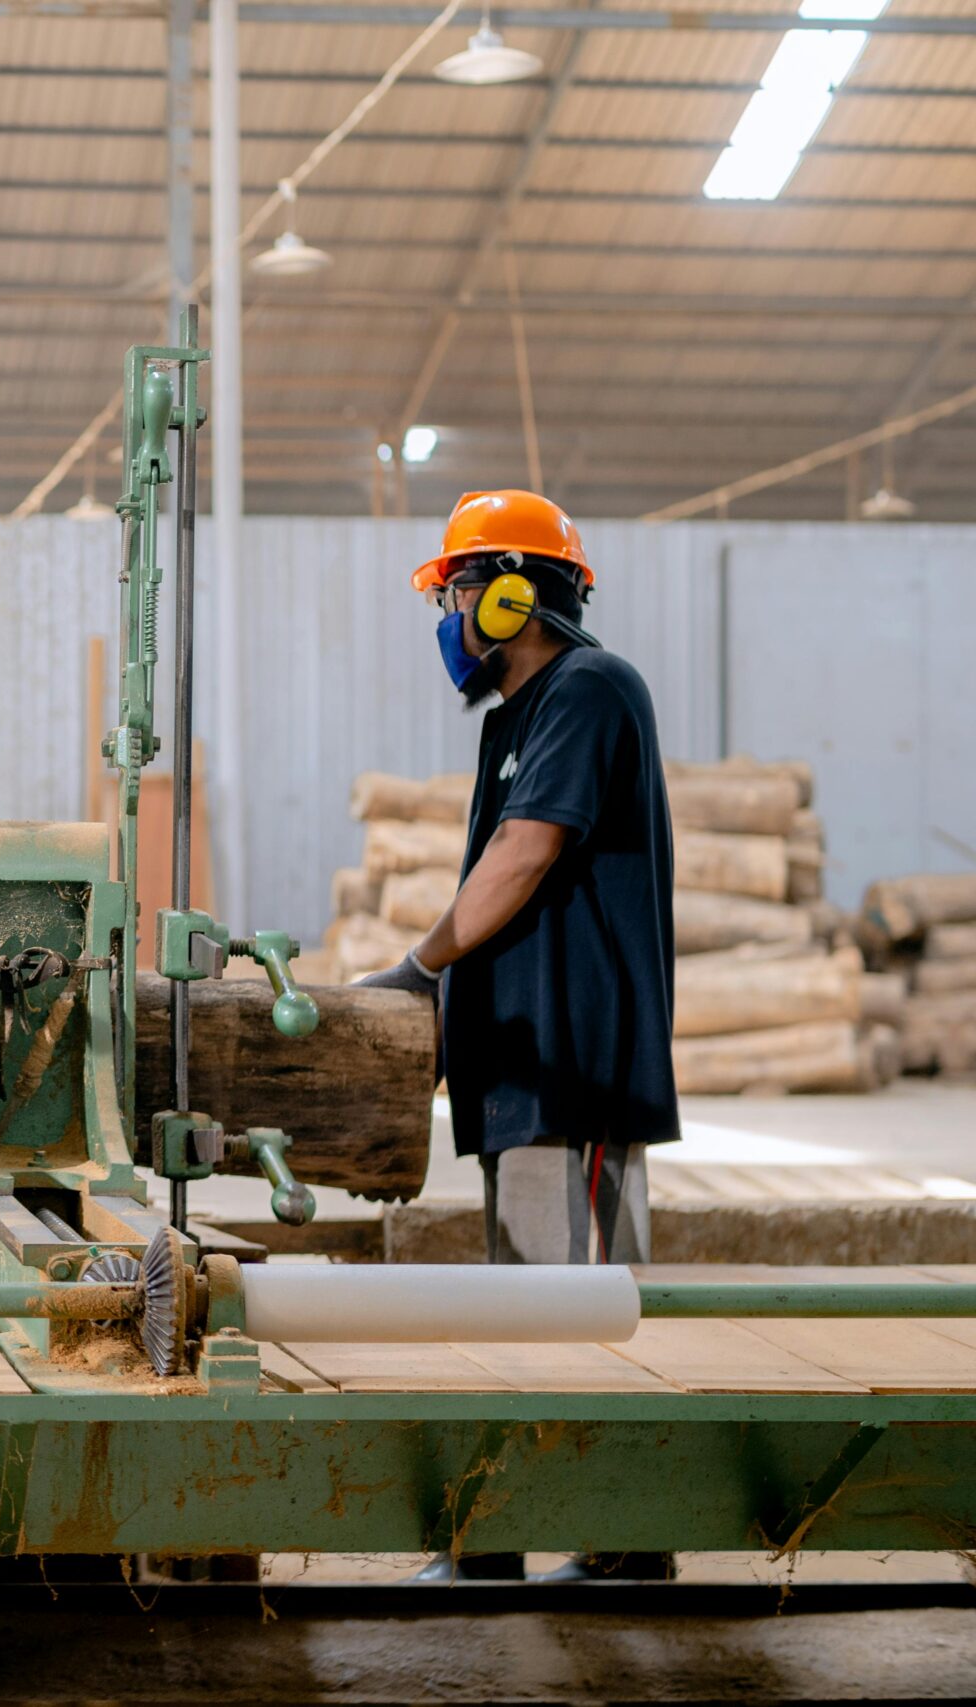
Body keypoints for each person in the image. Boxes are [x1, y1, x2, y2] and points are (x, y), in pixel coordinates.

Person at [358, 490, 679, 1585]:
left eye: (453, 590)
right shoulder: (517, 719)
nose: (445, 616)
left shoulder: (589, 689)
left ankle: (608, 1540)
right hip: (522, 1066)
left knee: (578, 1307)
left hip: (575, 1065)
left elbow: (528, 852)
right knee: (526, 1300)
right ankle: (524, 1542)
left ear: (511, 591)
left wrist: (418, 965)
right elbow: (504, 887)